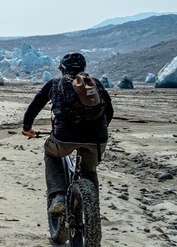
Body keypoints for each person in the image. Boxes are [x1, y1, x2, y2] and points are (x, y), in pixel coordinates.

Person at [22, 52, 114, 215]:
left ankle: (57, 196)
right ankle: (93, 208)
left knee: (51, 154)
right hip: (97, 139)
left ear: (62, 70)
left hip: (64, 137)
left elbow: (35, 106)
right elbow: (109, 111)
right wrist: (99, 131)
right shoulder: (95, 84)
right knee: (89, 171)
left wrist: (27, 127)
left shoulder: (55, 83)